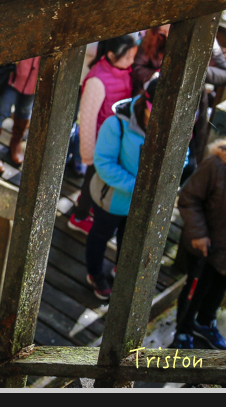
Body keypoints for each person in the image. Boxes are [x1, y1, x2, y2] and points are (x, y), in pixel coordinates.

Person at [83, 78, 158, 301]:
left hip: (140, 203)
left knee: (130, 238)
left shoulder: (170, 125)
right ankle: (95, 273)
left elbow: (182, 155)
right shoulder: (115, 124)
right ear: (146, 103)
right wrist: (140, 188)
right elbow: (104, 164)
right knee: (100, 236)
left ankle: (120, 269)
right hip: (112, 200)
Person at [0, 0, 55, 174]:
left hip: (34, 79)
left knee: (25, 112)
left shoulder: (53, 11)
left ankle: (15, 145)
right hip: (14, 75)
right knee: (1, 110)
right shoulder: (20, 6)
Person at [133, 24, 226, 178]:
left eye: (169, 31)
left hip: (190, 109)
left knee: (186, 159)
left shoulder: (206, 38)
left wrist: (193, 69)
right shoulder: (154, 34)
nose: (166, 35)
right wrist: (161, 76)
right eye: (162, 32)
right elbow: (138, 68)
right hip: (152, 104)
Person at [66, 34, 138, 235]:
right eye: (128, 57)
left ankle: (84, 203)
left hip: (112, 141)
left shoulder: (123, 71)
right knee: (91, 179)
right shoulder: (97, 80)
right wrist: (88, 155)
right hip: (99, 146)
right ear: (111, 55)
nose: (132, 61)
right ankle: (79, 217)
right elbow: (87, 121)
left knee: (94, 181)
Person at [171, 138, 226, 350]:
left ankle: (205, 322)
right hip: (206, 247)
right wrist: (199, 234)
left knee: (219, 289)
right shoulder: (216, 165)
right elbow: (188, 198)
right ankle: (183, 331)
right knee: (194, 291)